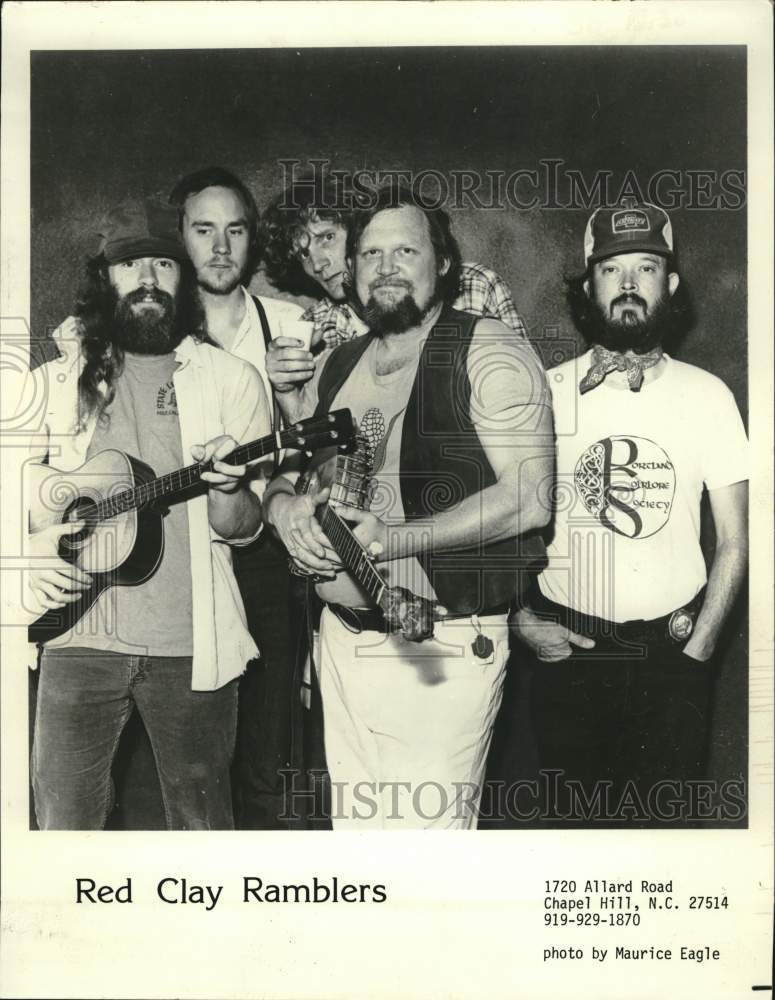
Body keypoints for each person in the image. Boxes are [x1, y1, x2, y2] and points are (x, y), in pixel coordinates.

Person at [262, 186, 553, 829]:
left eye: (405, 250)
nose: (386, 266)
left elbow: (530, 499)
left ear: (442, 264)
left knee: (427, 854)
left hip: (441, 643)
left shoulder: (489, 346)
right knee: (360, 844)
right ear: (354, 269)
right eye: (370, 252)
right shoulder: (339, 363)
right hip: (342, 640)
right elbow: (292, 473)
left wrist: (394, 539)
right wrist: (284, 511)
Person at [27, 197, 270, 830]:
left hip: (191, 647)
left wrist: (227, 488)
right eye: (130, 266)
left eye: (164, 263)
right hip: (73, 637)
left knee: (202, 831)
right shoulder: (54, 382)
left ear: (183, 279)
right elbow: (17, 494)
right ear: (104, 281)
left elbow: (244, 530)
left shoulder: (234, 380)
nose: (148, 280)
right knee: (63, 830)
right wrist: (36, 548)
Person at [512, 201, 749, 825]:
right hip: (568, 652)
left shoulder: (709, 396)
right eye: (611, 270)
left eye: (645, 268)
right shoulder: (546, 391)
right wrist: (519, 619)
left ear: (669, 286)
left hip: (673, 654)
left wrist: (700, 651)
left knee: (664, 848)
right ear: (588, 287)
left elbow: (736, 539)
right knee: (571, 843)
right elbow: (504, 520)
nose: (627, 286)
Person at [169, 167, 312, 830]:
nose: (220, 246)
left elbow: (339, 444)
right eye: (204, 230)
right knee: (187, 751)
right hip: (173, 550)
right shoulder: (146, 324)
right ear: (180, 239)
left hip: (263, 551)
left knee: (265, 744)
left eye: (235, 230)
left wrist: (294, 399)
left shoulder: (292, 326)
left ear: (252, 242)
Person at [261, 174, 536, 420]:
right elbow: (318, 453)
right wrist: (285, 390)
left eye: (327, 237)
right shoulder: (316, 328)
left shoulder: (473, 286)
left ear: (361, 226)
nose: (317, 263)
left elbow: (529, 398)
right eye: (303, 254)